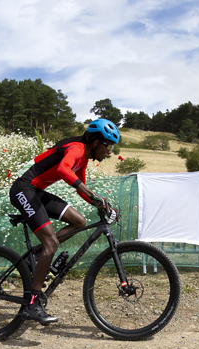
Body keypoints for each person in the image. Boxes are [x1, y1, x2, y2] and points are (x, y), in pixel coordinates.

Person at [9, 118, 119, 325]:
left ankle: (36, 255)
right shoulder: (77, 149)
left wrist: (102, 204)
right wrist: (93, 197)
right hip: (22, 189)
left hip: (36, 191)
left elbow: (81, 188)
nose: (110, 152)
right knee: (52, 243)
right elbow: (63, 169)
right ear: (96, 142)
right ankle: (32, 303)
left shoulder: (84, 159)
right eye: (109, 146)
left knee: (79, 221)